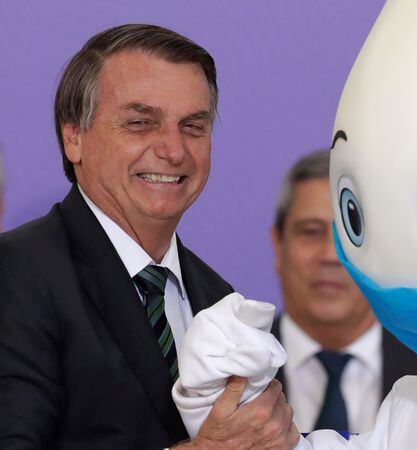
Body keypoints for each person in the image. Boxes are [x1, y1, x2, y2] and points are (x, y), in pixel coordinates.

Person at [0, 24, 298, 450]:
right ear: (73, 137)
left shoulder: (219, 299)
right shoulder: (15, 275)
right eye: (141, 123)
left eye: (193, 126)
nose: (174, 150)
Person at [269, 150, 417, 433]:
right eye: (310, 231)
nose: (331, 255)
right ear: (278, 244)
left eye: (350, 233)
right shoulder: (232, 374)